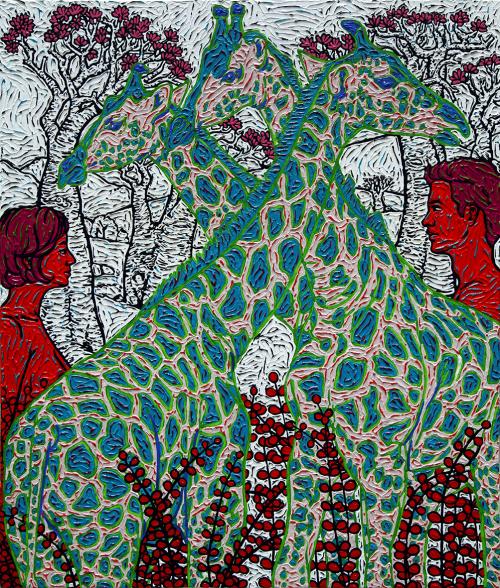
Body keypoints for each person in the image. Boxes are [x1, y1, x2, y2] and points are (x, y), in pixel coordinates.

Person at [0, 206, 75, 586]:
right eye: (61, 249)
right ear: (32, 257)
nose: (70, 259)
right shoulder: (9, 333)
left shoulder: (31, 328)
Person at [423, 158, 500, 321]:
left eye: (437, 208)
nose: (426, 221)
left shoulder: (482, 302)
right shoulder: (471, 293)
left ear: (470, 214)